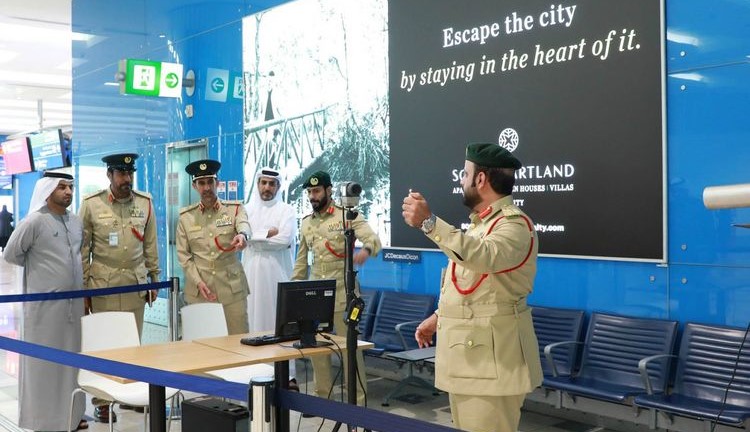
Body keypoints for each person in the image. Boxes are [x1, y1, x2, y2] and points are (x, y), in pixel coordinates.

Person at [402, 142, 543, 432]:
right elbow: (476, 290)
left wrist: (429, 223)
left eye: (464, 175)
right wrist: (438, 318)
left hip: (491, 367)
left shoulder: (514, 225)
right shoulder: (481, 225)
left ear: (481, 179)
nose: (462, 181)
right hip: (471, 362)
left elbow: (482, 257)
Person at [3, 171, 87, 432]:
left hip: (73, 308)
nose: (68, 192)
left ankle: (71, 415)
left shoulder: (75, 222)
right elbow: (11, 254)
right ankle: (42, 420)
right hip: (43, 310)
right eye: (61, 187)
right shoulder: (34, 222)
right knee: (44, 366)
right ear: (48, 190)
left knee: (72, 363)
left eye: (70, 187)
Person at [79, 153, 159, 423]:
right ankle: (103, 400)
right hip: (103, 284)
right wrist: (84, 290)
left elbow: (151, 245)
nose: (127, 179)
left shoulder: (145, 203)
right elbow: (83, 251)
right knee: (105, 344)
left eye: (130, 173)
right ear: (109, 175)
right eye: (121, 174)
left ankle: (130, 392)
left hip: (135, 283)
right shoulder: (91, 205)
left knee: (132, 342)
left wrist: (154, 278)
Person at [292, 170, 382, 404]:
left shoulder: (346, 216)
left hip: (344, 294)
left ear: (329, 190)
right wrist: (293, 292)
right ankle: (323, 400)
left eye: (317, 191)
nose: (313, 196)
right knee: (316, 351)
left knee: (349, 350)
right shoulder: (306, 224)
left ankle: (357, 402)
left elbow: (373, 239)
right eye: (310, 192)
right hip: (315, 296)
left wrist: (365, 251)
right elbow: (301, 261)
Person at [176, 159, 251, 335]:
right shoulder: (186, 217)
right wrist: (198, 281)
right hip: (200, 290)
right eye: (201, 183)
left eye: (210, 182)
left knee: (238, 340)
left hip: (231, 289)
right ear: (195, 186)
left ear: (217, 183)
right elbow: (183, 256)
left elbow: (244, 224)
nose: (207, 187)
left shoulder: (234, 209)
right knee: (203, 345)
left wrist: (243, 235)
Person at [241, 166, 298, 387]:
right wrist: (267, 233)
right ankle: (256, 370)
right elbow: (242, 238)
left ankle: (288, 375)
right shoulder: (246, 210)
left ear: (278, 186)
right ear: (257, 185)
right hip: (251, 274)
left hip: (277, 275)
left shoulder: (287, 210)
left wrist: (254, 237)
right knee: (253, 319)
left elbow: (284, 239)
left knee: (280, 321)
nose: (267, 188)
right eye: (263, 183)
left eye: (271, 184)